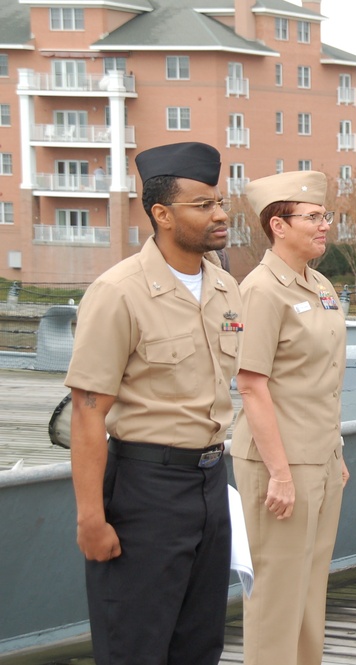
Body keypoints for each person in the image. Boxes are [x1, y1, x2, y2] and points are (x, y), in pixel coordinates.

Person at [65, 142, 240, 665]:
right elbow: (87, 412)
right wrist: (90, 519)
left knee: (199, 644)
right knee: (136, 646)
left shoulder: (225, 288)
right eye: (203, 205)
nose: (220, 214)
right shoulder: (119, 291)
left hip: (211, 482)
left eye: (219, 201)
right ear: (162, 215)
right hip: (146, 491)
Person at [231, 171, 349, 665]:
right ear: (278, 225)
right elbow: (251, 383)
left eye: (326, 216)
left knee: (310, 590)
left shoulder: (319, 283)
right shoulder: (261, 289)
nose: (325, 226)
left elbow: (322, 378)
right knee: (277, 595)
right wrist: (279, 472)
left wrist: (335, 452)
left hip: (320, 458)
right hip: (281, 462)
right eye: (314, 217)